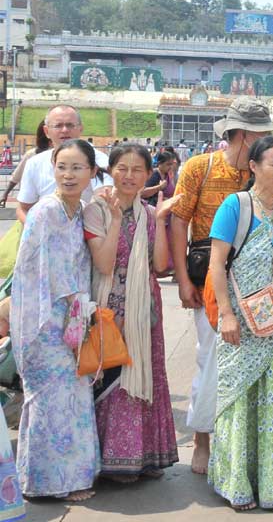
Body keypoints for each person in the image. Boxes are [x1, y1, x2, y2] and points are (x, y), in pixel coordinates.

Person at [170, 97, 273, 475]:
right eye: (264, 134)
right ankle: (201, 439)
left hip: (254, 287)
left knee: (251, 365)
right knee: (210, 360)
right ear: (245, 136)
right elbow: (179, 222)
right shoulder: (199, 167)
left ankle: (239, 443)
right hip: (210, 282)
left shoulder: (263, 172)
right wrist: (183, 280)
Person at [206, 136, 273, 510]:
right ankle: (238, 485)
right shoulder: (236, 205)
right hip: (242, 322)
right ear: (254, 167)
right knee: (239, 399)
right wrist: (227, 314)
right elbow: (218, 263)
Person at [82, 144, 180, 482]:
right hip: (108, 309)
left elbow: (161, 265)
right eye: (122, 168)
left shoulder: (149, 214)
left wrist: (163, 217)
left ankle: (140, 457)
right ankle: (110, 460)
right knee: (109, 381)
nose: (129, 175)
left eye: (137, 169)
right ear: (111, 170)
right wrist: (116, 220)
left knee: (141, 380)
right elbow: (105, 264)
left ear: (146, 175)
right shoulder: (95, 209)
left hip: (143, 313)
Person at [10, 139, 101, 501]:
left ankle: (70, 477)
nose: (68, 174)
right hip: (43, 322)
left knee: (74, 398)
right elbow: (31, 271)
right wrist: (59, 313)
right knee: (49, 399)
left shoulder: (80, 211)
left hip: (72, 321)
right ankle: (47, 483)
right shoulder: (45, 211)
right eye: (62, 167)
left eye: (77, 167)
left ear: (92, 173)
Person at [16, 105, 112, 224]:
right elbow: (23, 208)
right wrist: (38, 231)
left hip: (88, 233)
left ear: (80, 129)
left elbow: (105, 196)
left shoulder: (99, 160)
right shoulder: (34, 164)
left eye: (70, 125)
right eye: (58, 125)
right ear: (46, 131)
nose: (65, 130)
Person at [0, 121, 51, 208]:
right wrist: (5, 194)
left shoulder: (68, 155)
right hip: (34, 205)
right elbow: (16, 176)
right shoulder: (31, 155)